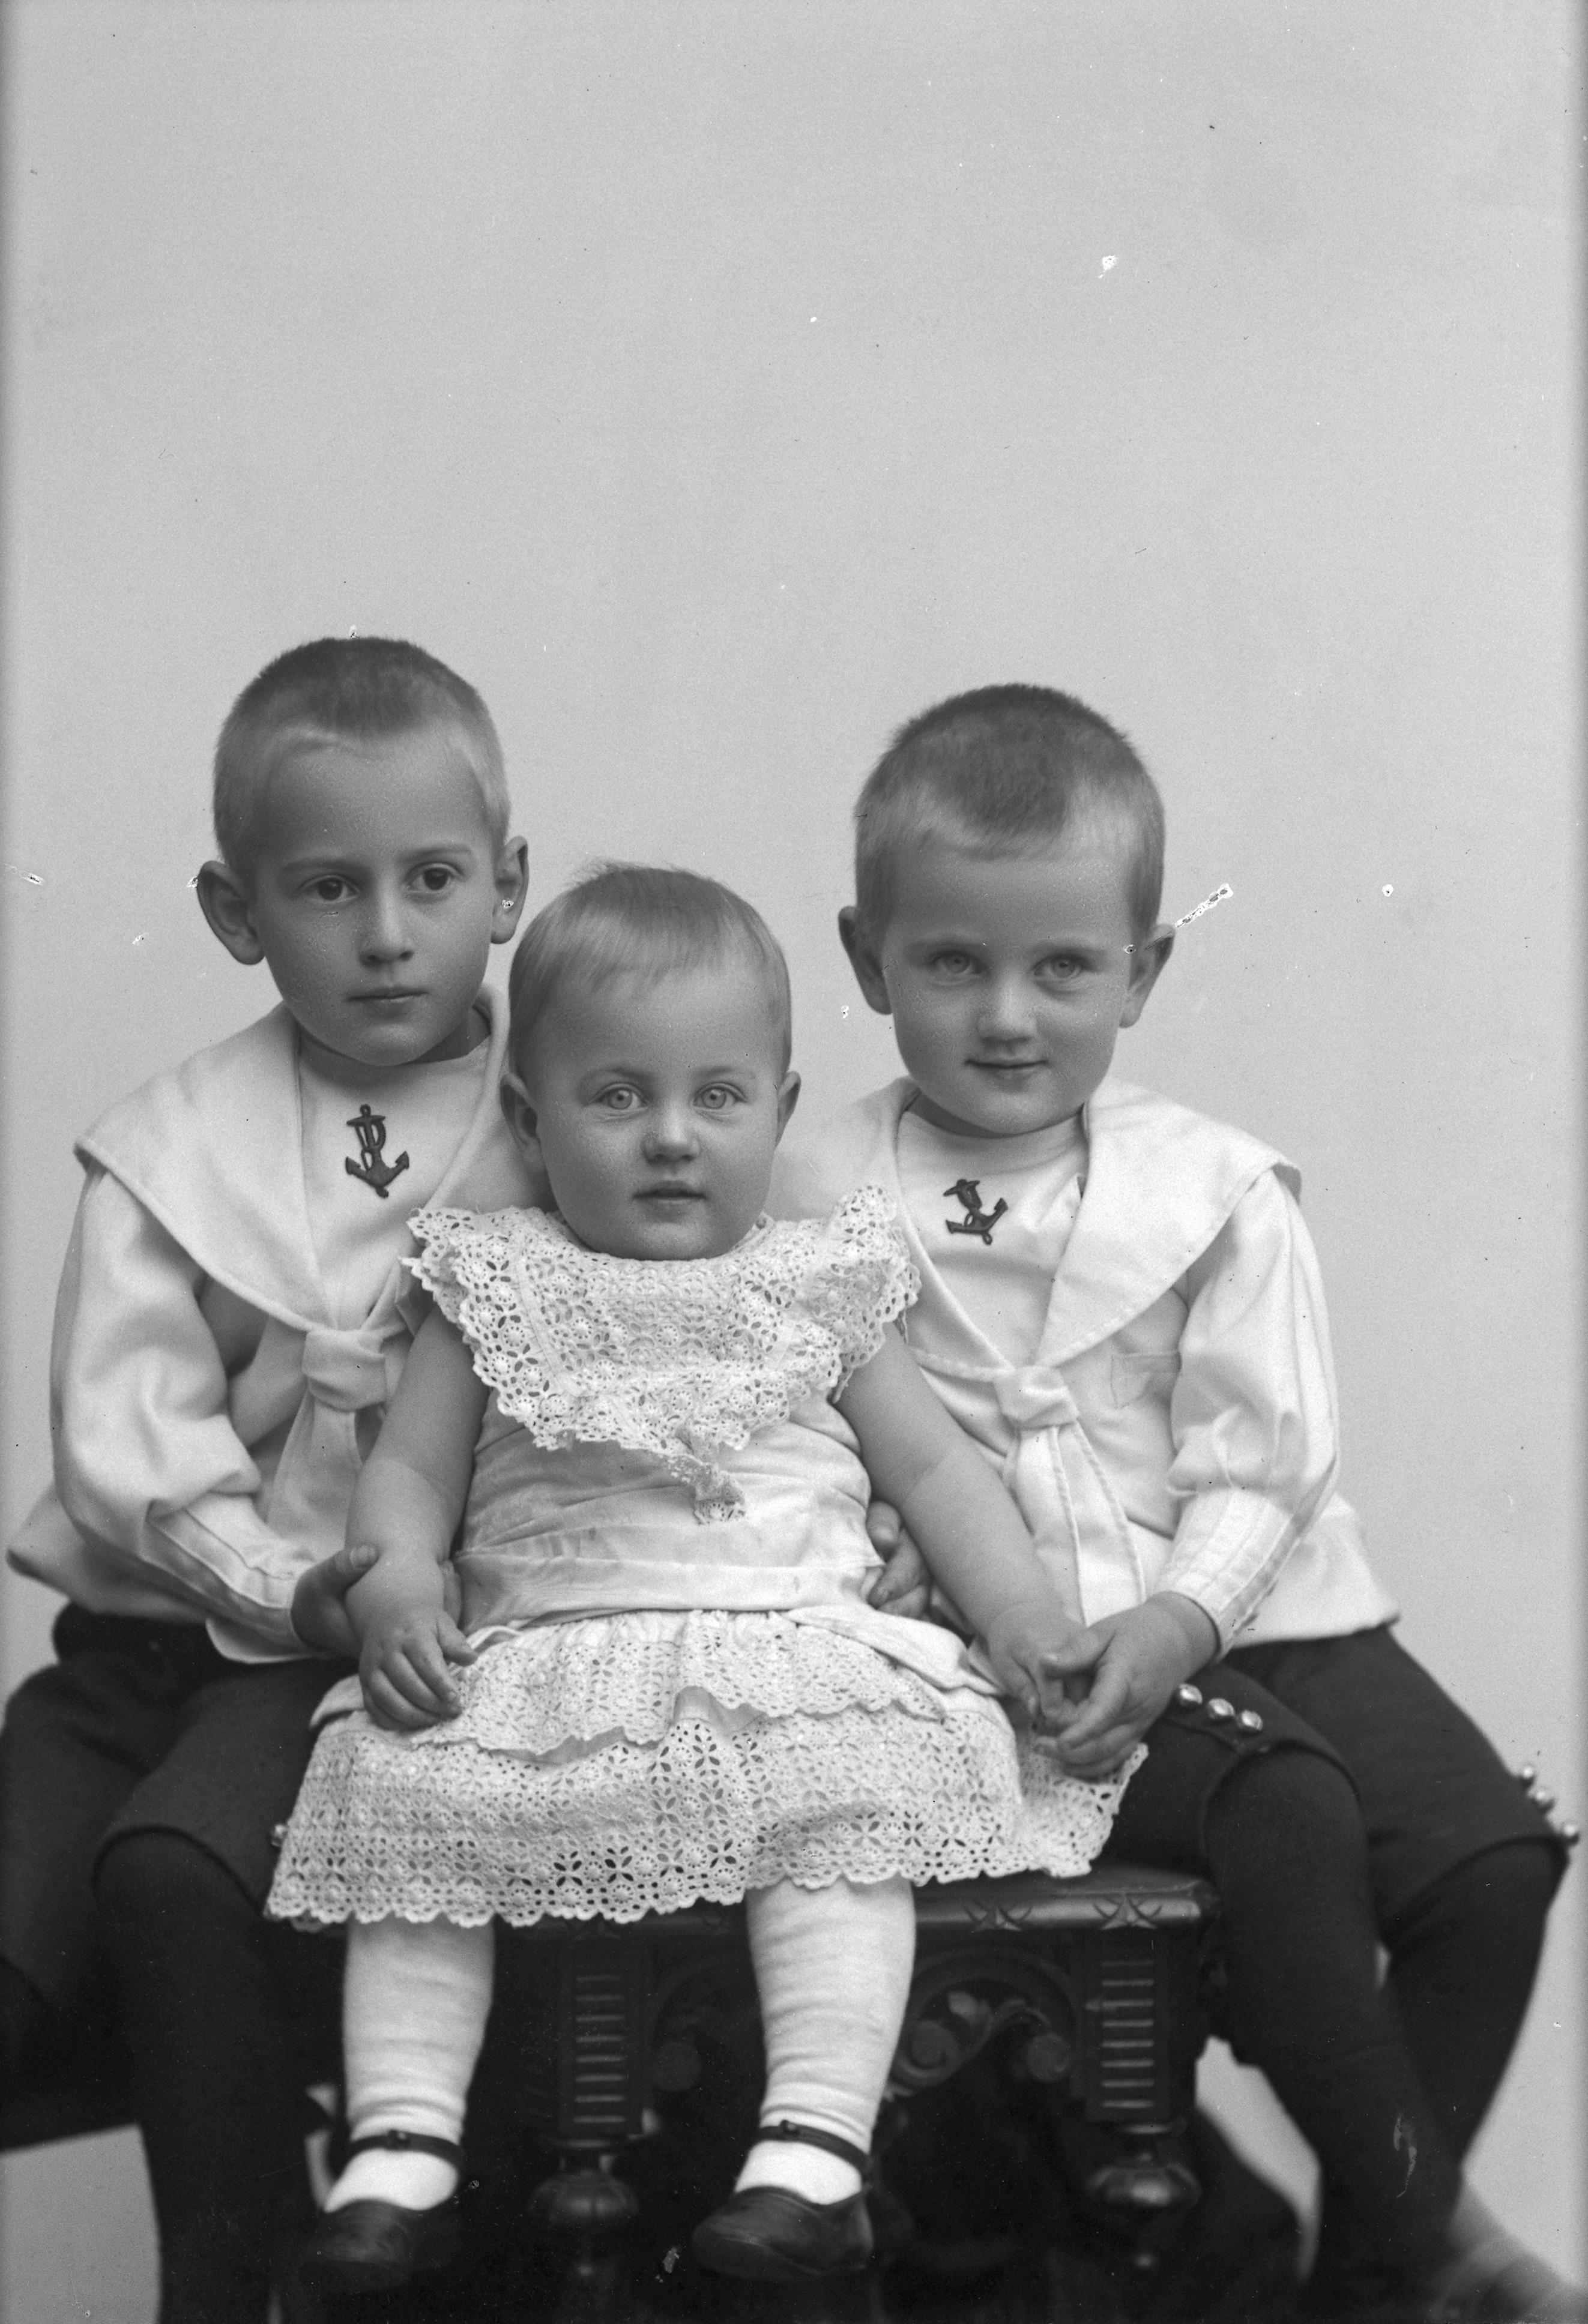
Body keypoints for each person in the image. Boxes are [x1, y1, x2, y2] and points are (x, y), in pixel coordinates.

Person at [771, 684, 1580, 2323]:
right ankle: (1426, 2240)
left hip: (1243, 1603)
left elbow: (1265, 1459)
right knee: (1283, 1833)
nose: (1009, 1015)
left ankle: (1375, 2269)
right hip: (1023, 1636)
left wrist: (1184, 1612)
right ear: (866, 959)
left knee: (1487, 1862)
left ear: (1141, 971)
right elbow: (797, 1424)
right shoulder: (811, 1195)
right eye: (952, 963)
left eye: (1064, 968)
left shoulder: (1211, 1189)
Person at [273, 862, 1133, 2297]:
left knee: (838, 1818)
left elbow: (939, 1475)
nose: (672, 1137)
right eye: (617, 1098)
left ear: (779, 1111)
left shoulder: (819, 1283)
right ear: (533, 1122)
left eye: (717, 1097)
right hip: (550, 1666)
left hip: (786, 1654)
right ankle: (401, 2149)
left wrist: (1028, 1617)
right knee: (419, 1802)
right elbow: (410, 1474)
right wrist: (399, 1586)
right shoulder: (493, 1284)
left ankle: (814, 2151)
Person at [0, 636, 534, 2324]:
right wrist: (285, 1589)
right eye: (325, 888)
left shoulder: (568, 1117)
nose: (385, 933)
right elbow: (131, 1454)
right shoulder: (172, 1153)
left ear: (508, 887)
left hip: (418, 1663)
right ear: (238, 914)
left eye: (430, 879)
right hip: (176, 1640)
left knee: (198, 1881)